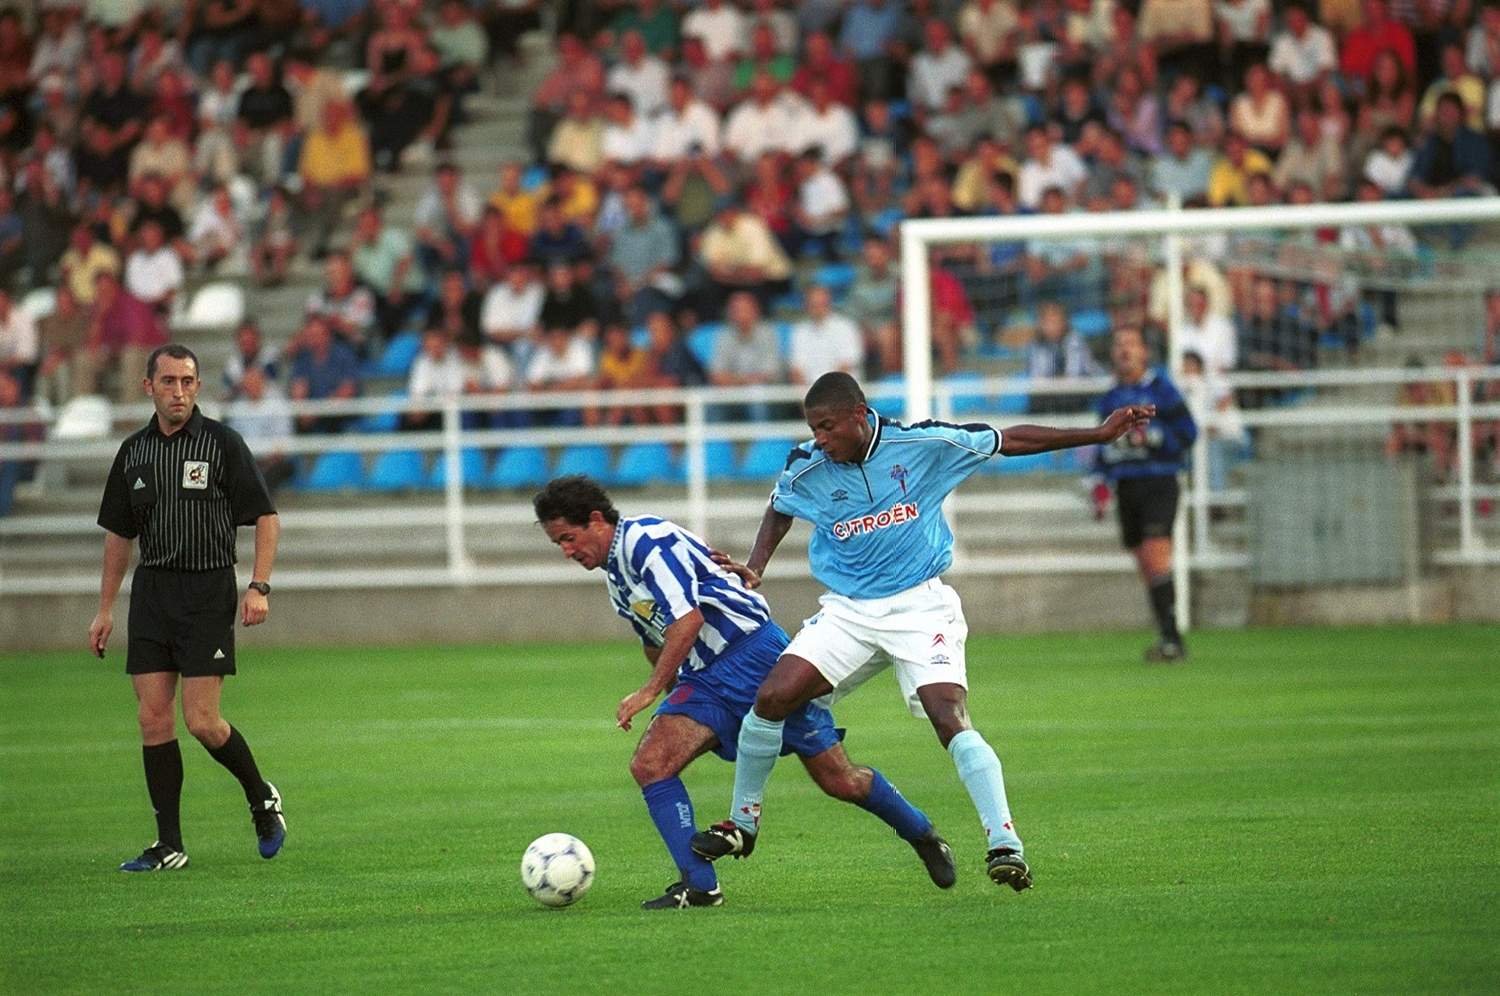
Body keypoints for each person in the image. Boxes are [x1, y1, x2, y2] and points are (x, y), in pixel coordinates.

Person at [695, 372, 1155, 890]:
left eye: (826, 427)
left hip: (921, 606)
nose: (819, 438)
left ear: (859, 415)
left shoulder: (922, 445)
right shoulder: (809, 466)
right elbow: (780, 507)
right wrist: (756, 567)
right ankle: (743, 822)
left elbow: (1007, 440)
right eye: (813, 428)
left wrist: (1096, 435)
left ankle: (1005, 844)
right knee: (773, 697)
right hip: (850, 610)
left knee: (947, 716)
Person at [532, 475, 957, 909]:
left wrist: (649, 691)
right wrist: (673, 697)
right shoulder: (615, 577)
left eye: (568, 538)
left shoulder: (647, 541)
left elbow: (688, 620)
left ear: (597, 520)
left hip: (755, 657)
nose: (567, 551)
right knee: (651, 764)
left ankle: (921, 834)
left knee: (839, 781)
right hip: (705, 679)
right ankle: (699, 886)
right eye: (558, 545)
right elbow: (654, 637)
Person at [89, 344, 286, 873]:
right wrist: (105, 608)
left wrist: (259, 586)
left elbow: (266, 517)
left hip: (206, 592)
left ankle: (261, 797)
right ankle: (168, 843)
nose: (179, 391)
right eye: (169, 381)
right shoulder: (132, 454)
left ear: (198, 387)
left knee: (201, 720)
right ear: (147, 387)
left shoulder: (222, 444)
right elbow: (117, 536)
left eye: (188, 381)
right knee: (153, 719)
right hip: (152, 593)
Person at [1092, 326, 1200, 663]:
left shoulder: (1162, 391)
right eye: (1119, 344)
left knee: (1156, 555)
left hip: (1158, 480)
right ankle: (1167, 634)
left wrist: (1156, 438)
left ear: (1144, 352)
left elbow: (1188, 432)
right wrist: (1100, 481)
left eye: (1130, 344)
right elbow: (1101, 443)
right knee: (1145, 563)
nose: (1124, 350)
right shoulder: (1110, 398)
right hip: (1127, 484)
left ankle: (1173, 639)